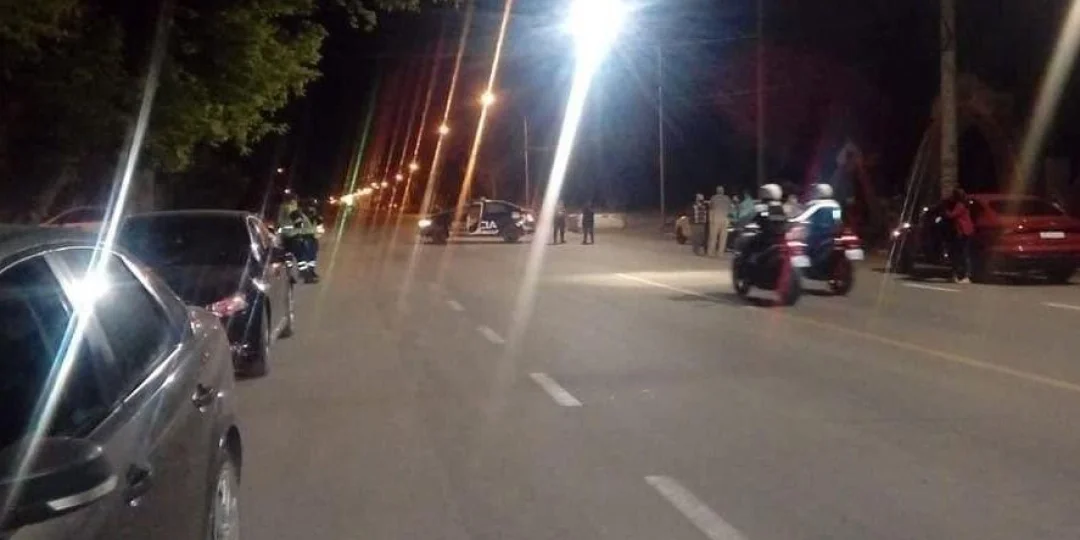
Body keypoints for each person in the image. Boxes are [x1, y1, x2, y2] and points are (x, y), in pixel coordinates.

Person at [277, 194, 320, 283]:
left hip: (285, 237)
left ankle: (290, 276)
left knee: (288, 257)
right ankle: (306, 277)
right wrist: (300, 227)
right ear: (293, 201)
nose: (296, 203)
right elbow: (297, 220)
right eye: (295, 201)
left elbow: (280, 224)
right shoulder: (290, 208)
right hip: (293, 236)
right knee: (301, 257)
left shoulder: (281, 209)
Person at [944, 187, 974, 283]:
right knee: (960, 253)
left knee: (962, 253)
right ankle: (957, 275)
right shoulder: (963, 204)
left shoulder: (960, 205)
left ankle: (966, 276)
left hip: (963, 231)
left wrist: (945, 210)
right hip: (964, 231)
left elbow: (951, 215)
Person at [709, 186, 732, 256]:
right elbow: (730, 209)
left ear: (717, 191)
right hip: (725, 220)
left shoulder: (713, 198)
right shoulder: (727, 198)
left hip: (716, 219)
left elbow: (711, 208)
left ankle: (711, 252)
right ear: (723, 191)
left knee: (713, 237)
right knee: (723, 238)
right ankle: (720, 253)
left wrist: (711, 219)